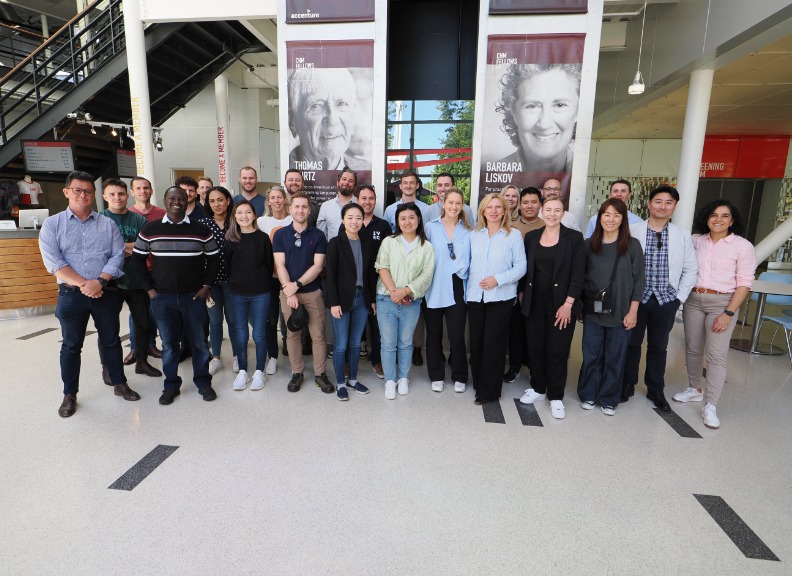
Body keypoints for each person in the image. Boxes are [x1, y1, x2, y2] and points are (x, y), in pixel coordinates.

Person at [39, 171, 139, 418]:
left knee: (111, 340)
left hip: (105, 291)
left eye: (87, 191)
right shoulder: (53, 224)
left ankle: (119, 383)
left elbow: (118, 255)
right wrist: (86, 284)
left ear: (94, 195)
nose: (83, 195)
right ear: (67, 192)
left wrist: (100, 281)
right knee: (71, 345)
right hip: (71, 294)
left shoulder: (107, 224)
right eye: (77, 190)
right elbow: (54, 262)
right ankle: (69, 394)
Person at [132, 186, 220, 406]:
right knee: (169, 345)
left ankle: (203, 382)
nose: (177, 202)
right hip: (163, 299)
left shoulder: (201, 230)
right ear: (165, 200)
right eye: (172, 198)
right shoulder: (150, 229)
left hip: (194, 297)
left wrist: (206, 286)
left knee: (199, 343)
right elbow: (137, 261)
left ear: (187, 200)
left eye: (181, 198)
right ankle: (171, 385)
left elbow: (215, 259)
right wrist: (150, 290)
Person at [673, 200, 755, 430]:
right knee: (692, 347)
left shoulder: (742, 246)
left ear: (732, 220)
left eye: (724, 216)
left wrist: (729, 312)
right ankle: (694, 389)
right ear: (706, 218)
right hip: (694, 299)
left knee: (716, 354)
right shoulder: (696, 240)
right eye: (714, 215)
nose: (718, 219)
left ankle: (711, 405)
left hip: (722, 302)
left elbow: (744, 283)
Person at [622, 184, 698, 409]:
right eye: (658, 201)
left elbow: (690, 269)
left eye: (668, 203)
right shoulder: (633, 230)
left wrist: (679, 299)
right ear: (649, 204)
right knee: (632, 344)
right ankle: (627, 384)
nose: (663, 206)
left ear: (674, 207)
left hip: (666, 299)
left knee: (659, 346)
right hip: (636, 299)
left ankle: (655, 389)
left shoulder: (682, 235)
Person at [577, 199, 645, 416]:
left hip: (621, 312)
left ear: (623, 219)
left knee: (615, 357)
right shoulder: (589, 245)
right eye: (606, 214)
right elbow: (579, 277)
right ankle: (588, 394)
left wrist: (633, 310)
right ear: (599, 217)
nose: (611, 219)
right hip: (593, 312)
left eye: (616, 215)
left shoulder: (632, 245)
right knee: (591, 355)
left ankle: (608, 398)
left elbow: (639, 281)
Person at [518, 196, 582, 418]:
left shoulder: (573, 238)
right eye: (548, 210)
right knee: (535, 346)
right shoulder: (533, 237)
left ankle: (556, 396)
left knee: (557, 350)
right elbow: (525, 269)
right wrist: (521, 293)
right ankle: (538, 388)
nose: (552, 214)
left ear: (563, 213)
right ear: (541, 212)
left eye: (557, 210)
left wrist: (568, 304)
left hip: (562, 303)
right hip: (534, 300)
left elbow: (578, 274)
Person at [467, 193, 526, 405]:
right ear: (483, 210)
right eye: (489, 207)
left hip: (500, 298)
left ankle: (489, 392)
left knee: (494, 345)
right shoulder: (474, 234)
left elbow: (521, 267)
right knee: (477, 344)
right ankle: (479, 383)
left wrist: (498, 280)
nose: (493, 211)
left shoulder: (513, 235)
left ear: (504, 211)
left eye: (498, 207)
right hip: (475, 297)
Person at [272, 192, 333, 394]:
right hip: (288, 292)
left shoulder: (318, 236)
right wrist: (288, 290)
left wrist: (296, 285)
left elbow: (318, 266)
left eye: (304, 207)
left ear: (309, 210)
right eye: (296, 206)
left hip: (313, 292)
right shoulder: (280, 234)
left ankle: (320, 374)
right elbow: (279, 265)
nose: (300, 210)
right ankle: (297, 373)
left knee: (318, 336)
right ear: (290, 209)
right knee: (293, 334)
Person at [100, 178, 160, 379]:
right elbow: (100, 249)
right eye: (112, 194)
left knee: (142, 324)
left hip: (136, 280)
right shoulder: (99, 219)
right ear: (105, 197)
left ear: (127, 195)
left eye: (121, 194)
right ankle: (109, 367)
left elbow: (147, 246)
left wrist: (116, 248)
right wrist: (128, 247)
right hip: (109, 283)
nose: (117, 198)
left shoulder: (138, 220)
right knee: (108, 328)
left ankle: (142, 362)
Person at [495, 63, 581, 204]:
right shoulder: (489, 170)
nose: (545, 124)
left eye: (560, 105)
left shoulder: (584, 174)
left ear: (578, 110)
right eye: (532, 106)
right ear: (514, 111)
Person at [375, 202, 435, 399]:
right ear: (397, 222)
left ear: (418, 219)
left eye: (411, 217)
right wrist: (395, 292)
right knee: (388, 343)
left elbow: (427, 275)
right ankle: (390, 381)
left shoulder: (426, 247)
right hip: (386, 298)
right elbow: (382, 266)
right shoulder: (389, 242)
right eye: (403, 218)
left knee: (406, 342)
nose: (407, 221)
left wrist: (406, 291)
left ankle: (403, 378)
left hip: (412, 301)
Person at [325, 203, 377, 400]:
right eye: (350, 217)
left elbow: (370, 274)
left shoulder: (366, 242)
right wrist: (333, 303)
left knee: (356, 342)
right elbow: (329, 276)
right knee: (341, 344)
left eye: (358, 217)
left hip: (362, 298)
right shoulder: (335, 243)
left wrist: (371, 300)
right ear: (343, 220)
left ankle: (353, 380)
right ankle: (340, 382)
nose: (354, 221)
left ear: (363, 220)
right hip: (341, 299)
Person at [224, 200, 275, 392]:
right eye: (239, 213)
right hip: (238, 293)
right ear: (234, 216)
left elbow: (269, 265)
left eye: (247, 212)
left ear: (254, 215)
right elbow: (228, 267)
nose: (244, 216)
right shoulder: (230, 239)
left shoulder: (262, 238)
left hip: (261, 292)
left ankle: (259, 371)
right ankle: (243, 371)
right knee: (241, 334)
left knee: (259, 334)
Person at [424, 187, 472, 393]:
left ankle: (460, 375)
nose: (453, 207)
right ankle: (436, 374)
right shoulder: (430, 227)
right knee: (433, 334)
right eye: (450, 202)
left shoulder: (470, 231)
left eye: (458, 203)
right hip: (434, 284)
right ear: (443, 203)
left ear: (462, 206)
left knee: (457, 335)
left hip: (457, 285)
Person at [287, 68, 367, 171]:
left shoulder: (366, 169)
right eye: (316, 106)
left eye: (341, 103)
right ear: (293, 122)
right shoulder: (284, 171)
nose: (332, 120)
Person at [504, 186, 544, 383]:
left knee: (537, 331)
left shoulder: (548, 226)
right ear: (519, 205)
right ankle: (514, 366)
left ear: (540, 204)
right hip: (515, 287)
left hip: (541, 288)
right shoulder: (509, 227)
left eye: (533, 202)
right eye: (525, 202)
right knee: (516, 329)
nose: (529, 206)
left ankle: (536, 369)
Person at [200, 186, 240, 376]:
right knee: (215, 320)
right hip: (211, 283)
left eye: (220, 200)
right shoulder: (203, 224)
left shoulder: (237, 222)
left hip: (233, 282)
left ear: (228, 200)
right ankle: (215, 357)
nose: (216, 204)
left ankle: (237, 356)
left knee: (233, 320)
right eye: (212, 201)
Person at [127, 175, 164, 361]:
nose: (143, 191)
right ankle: (135, 348)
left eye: (146, 188)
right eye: (139, 188)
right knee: (136, 312)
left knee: (154, 309)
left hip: (158, 270)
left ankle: (151, 345)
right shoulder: (127, 214)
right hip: (136, 270)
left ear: (151, 191)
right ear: (132, 192)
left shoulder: (162, 214)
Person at [357, 184, 392, 379]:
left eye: (371, 198)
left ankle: (377, 361)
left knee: (378, 324)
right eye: (363, 198)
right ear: (358, 200)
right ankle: (350, 360)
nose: (367, 202)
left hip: (378, 281)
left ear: (375, 201)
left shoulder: (383, 225)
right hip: (356, 282)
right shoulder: (351, 221)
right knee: (354, 323)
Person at [258, 185, 292, 373]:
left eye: (280, 197)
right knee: (270, 319)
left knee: (291, 318)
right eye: (273, 197)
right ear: (268, 201)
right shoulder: (262, 222)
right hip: (269, 278)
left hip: (290, 277)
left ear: (285, 200)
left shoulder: (293, 219)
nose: (277, 200)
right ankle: (272, 356)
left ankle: (294, 353)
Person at [316, 167, 357, 241]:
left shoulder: (360, 205)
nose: (346, 183)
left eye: (350, 181)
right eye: (344, 179)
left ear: (355, 185)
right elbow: (321, 236)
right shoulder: (326, 207)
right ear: (338, 182)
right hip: (332, 251)